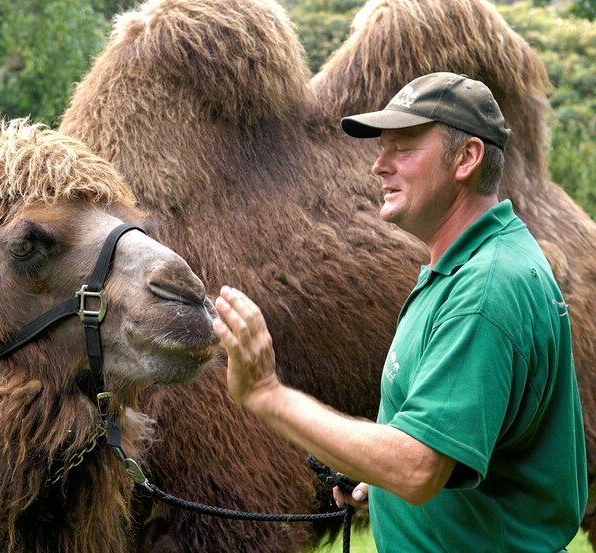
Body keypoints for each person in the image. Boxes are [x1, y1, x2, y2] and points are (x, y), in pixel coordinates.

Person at [212, 72, 587, 552]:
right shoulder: (465, 267)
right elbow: (448, 448)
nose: (378, 166)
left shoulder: (484, 291)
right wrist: (386, 485)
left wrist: (267, 394)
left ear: (467, 158)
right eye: (382, 148)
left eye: (403, 149)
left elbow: (418, 467)